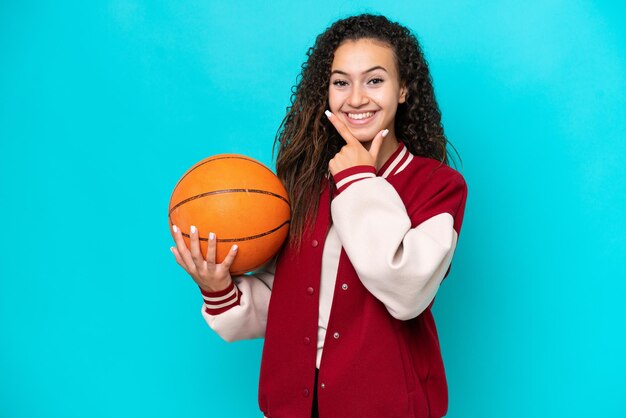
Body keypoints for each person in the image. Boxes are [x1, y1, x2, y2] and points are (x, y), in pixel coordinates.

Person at [170, 14, 467, 418]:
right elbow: (289, 300)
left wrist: (358, 178)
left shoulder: (437, 185)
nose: (356, 98)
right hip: (295, 404)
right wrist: (218, 286)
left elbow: (406, 292)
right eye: (341, 82)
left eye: (375, 80)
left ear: (403, 90)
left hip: (387, 405)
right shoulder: (304, 182)